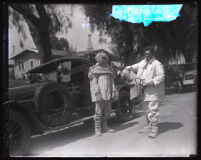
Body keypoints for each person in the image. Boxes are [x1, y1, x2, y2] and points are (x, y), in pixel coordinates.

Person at [122, 45, 165, 138]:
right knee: (145, 109)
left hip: (152, 90)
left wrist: (150, 82)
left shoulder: (157, 64)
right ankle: (149, 125)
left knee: (153, 109)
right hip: (142, 90)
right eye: (145, 54)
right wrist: (128, 68)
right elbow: (134, 67)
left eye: (148, 54)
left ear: (153, 54)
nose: (146, 56)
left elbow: (161, 76)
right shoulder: (142, 62)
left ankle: (154, 129)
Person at [88, 52, 118, 136]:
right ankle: (97, 128)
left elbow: (112, 81)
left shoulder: (109, 68)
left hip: (108, 92)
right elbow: (94, 82)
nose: (105, 59)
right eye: (103, 58)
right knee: (98, 112)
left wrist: (114, 90)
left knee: (107, 111)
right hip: (99, 93)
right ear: (99, 59)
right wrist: (97, 92)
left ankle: (105, 126)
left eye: (106, 58)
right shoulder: (94, 69)